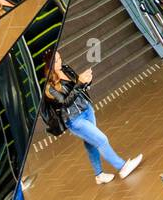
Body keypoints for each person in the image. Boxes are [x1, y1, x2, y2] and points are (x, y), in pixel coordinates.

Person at [43, 50, 142, 184]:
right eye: (56, 61)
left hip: (86, 109)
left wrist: (86, 82)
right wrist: (79, 83)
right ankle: (123, 167)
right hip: (74, 119)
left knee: (91, 143)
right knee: (101, 140)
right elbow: (65, 103)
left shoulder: (65, 69)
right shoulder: (49, 88)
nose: (60, 62)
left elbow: (79, 87)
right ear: (48, 64)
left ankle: (99, 175)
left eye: (60, 58)